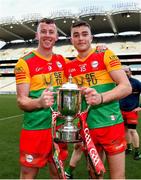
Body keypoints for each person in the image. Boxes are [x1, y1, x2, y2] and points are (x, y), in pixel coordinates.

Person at [64, 20, 132, 179]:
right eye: (76, 35)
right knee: (94, 174)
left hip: (111, 124)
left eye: (84, 34)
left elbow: (126, 87)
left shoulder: (105, 54)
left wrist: (100, 98)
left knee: (117, 177)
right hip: (88, 128)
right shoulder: (69, 67)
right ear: (71, 40)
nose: (81, 38)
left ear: (91, 37)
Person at [14, 18, 68, 179]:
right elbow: (21, 100)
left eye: (51, 32)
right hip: (35, 129)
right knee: (27, 174)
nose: (47, 35)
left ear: (57, 36)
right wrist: (39, 102)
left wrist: (100, 49)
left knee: (58, 172)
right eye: (43, 31)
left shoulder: (63, 61)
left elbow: (82, 64)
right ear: (37, 35)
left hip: (59, 128)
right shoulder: (24, 62)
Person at [119, 66, 141, 160]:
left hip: (132, 111)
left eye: (126, 72)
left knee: (132, 131)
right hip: (121, 111)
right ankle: (129, 148)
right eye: (123, 72)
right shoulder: (118, 83)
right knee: (125, 130)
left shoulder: (136, 83)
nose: (125, 73)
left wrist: (140, 107)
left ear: (130, 72)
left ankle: (137, 151)